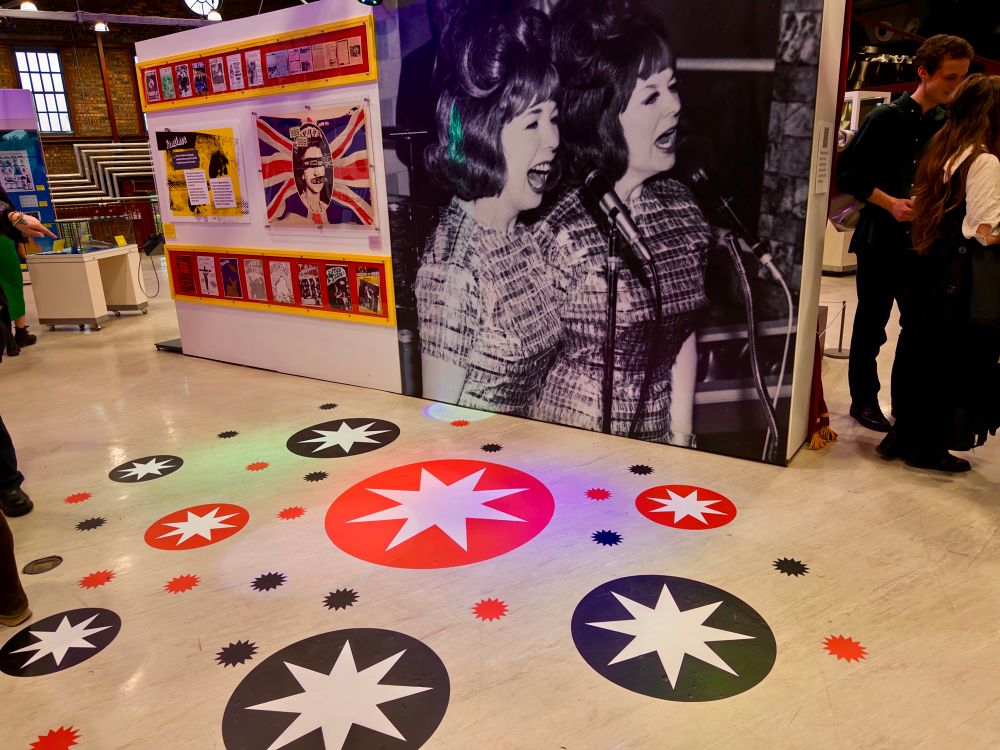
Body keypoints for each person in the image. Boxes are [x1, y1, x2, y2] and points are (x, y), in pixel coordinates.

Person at [527, 0, 709, 445]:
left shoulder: (683, 210)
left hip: (655, 440)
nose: (675, 105)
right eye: (651, 96)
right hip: (567, 445)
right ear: (602, 116)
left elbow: (681, 334)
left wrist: (681, 438)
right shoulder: (555, 231)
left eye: (672, 87)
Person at [413, 3, 562, 415]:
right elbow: (439, 427)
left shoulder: (523, 236)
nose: (552, 139)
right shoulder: (453, 270)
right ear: (484, 134)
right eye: (533, 123)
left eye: (553, 118)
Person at [835, 34, 973, 432]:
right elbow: (849, 176)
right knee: (871, 324)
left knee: (916, 327)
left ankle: (905, 403)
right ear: (924, 72)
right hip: (879, 240)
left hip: (924, 243)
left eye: (962, 77)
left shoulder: (947, 125)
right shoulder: (884, 118)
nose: (956, 86)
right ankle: (864, 401)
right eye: (950, 77)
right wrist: (889, 203)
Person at [877, 74, 1000, 472]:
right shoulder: (984, 160)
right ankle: (927, 447)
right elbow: (984, 230)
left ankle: (904, 436)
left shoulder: (946, 148)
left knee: (920, 351)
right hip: (959, 276)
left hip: (933, 267)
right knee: (947, 361)